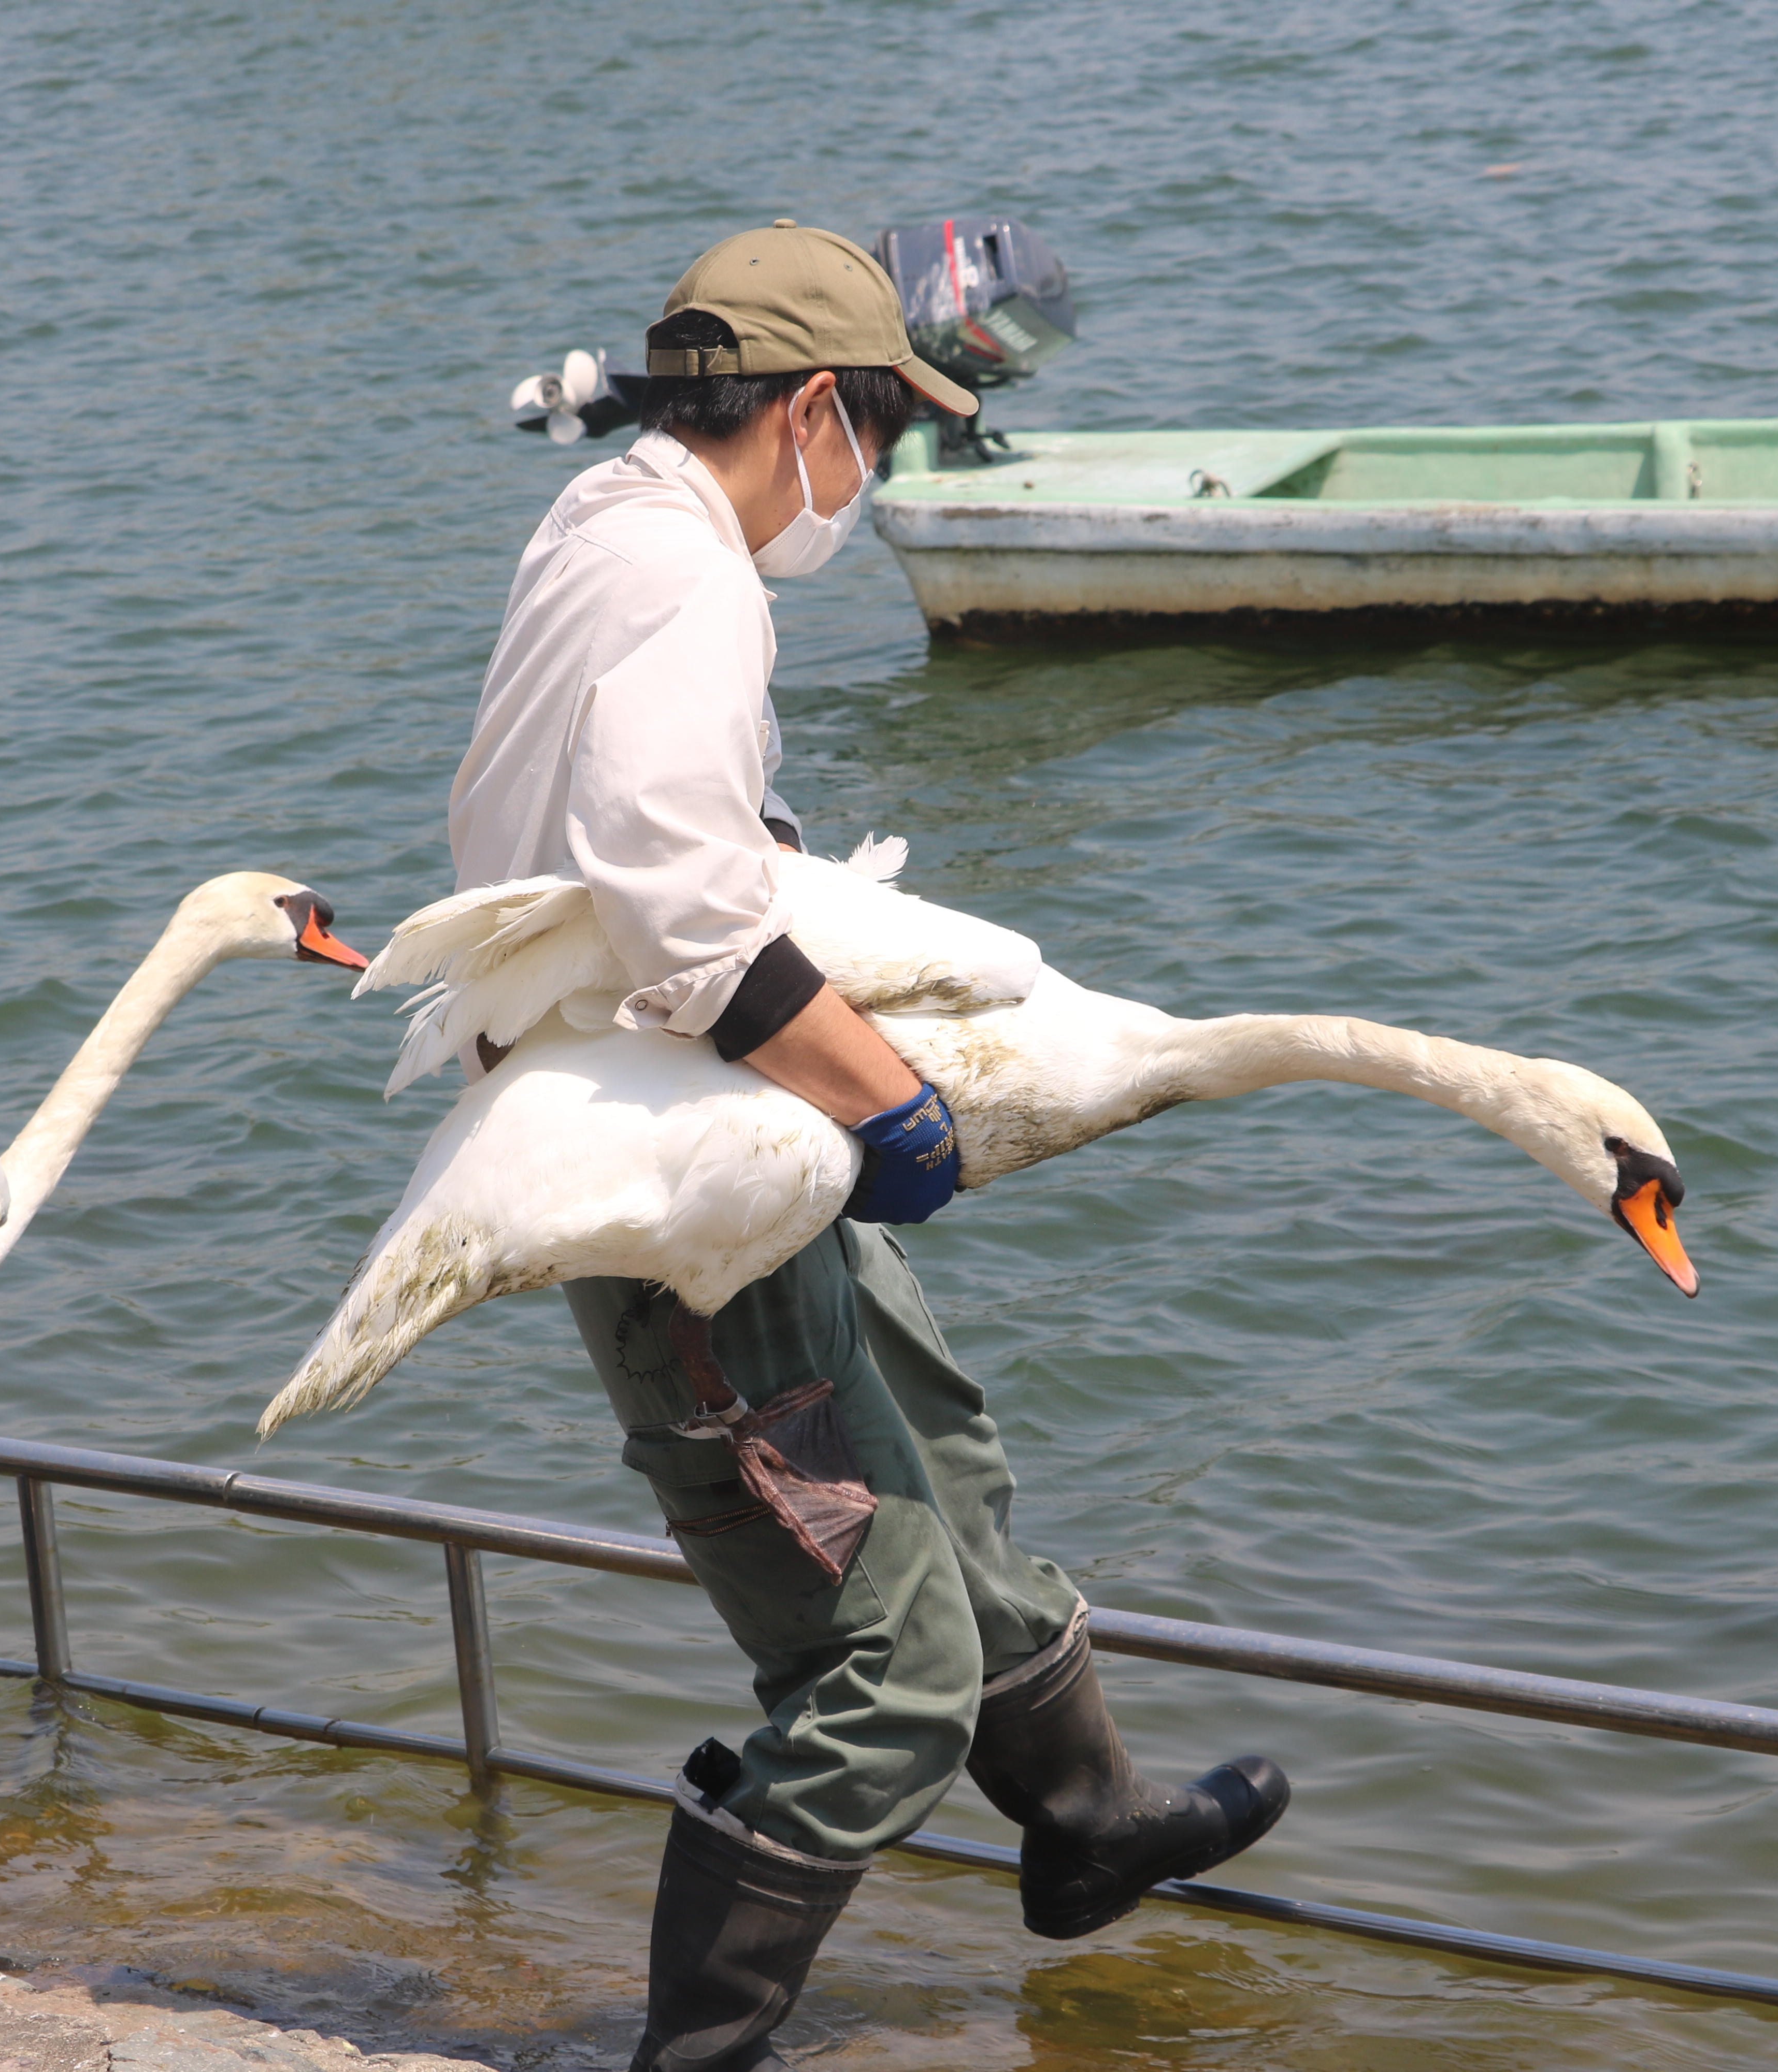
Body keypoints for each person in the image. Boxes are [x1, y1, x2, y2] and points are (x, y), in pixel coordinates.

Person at [450, 223, 1290, 2070]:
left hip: (716, 1123)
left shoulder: (609, 520)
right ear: (815, 411)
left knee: (942, 1453)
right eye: (887, 440)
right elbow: (681, 913)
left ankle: (1083, 1830)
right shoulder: (687, 581)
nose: (881, 480)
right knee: (882, 1662)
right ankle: (701, 2053)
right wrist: (888, 1097)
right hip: (688, 1193)